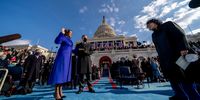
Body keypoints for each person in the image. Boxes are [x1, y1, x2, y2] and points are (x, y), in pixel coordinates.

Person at [146, 19, 200, 100]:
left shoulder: (168, 25)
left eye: (149, 24)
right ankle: (180, 95)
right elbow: (158, 48)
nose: (148, 26)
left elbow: (180, 34)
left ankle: (194, 97)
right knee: (173, 78)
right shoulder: (154, 35)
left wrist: (183, 47)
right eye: (147, 26)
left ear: (155, 22)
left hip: (178, 55)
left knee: (185, 77)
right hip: (166, 60)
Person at [48, 28, 73, 100]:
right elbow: (57, 41)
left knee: (63, 76)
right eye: (70, 33)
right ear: (67, 33)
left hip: (68, 59)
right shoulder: (63, 37)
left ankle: (60, 92)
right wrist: (61, 33)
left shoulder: (70, 40)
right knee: (59, 75)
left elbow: (71, 49)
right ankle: (56, 93)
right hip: (62, 57)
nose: (71, 34)